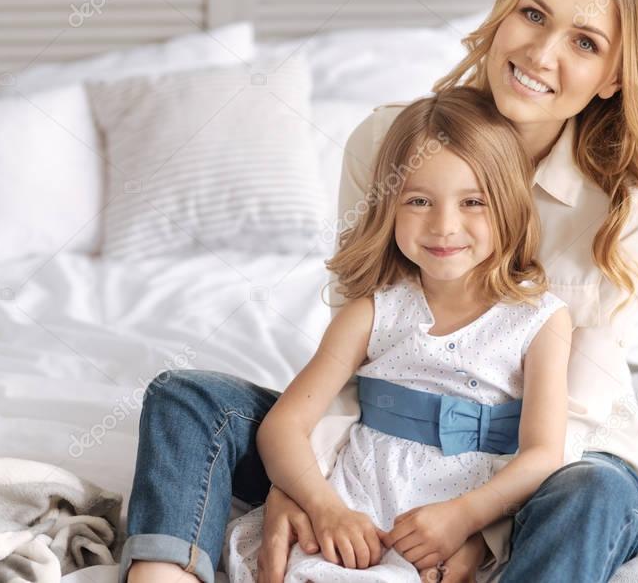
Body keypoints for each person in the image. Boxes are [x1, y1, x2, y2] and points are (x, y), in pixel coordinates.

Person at [124, 0, 638, 583]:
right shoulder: (385, 141)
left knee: (592, 494)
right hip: (389, 438)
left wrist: (475, 527)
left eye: (583, 41)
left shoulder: (622, 204)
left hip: (547, 458)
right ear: (503, 10)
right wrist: (309, 484)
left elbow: (568, 418)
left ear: (610, 77)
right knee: (189, 398)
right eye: (533, 14)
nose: (542, 53)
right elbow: (360, 341)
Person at [224, 87, 572, 582]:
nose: (444, 226)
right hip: (359, 507)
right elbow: (283, 426)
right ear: (389, 207)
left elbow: (542, 455)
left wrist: (468, 517)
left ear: (511, 206)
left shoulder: (540, 321)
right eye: (418, 201)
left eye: (472, 201)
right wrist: (326, 509)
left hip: (458, 519)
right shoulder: (372, 313)